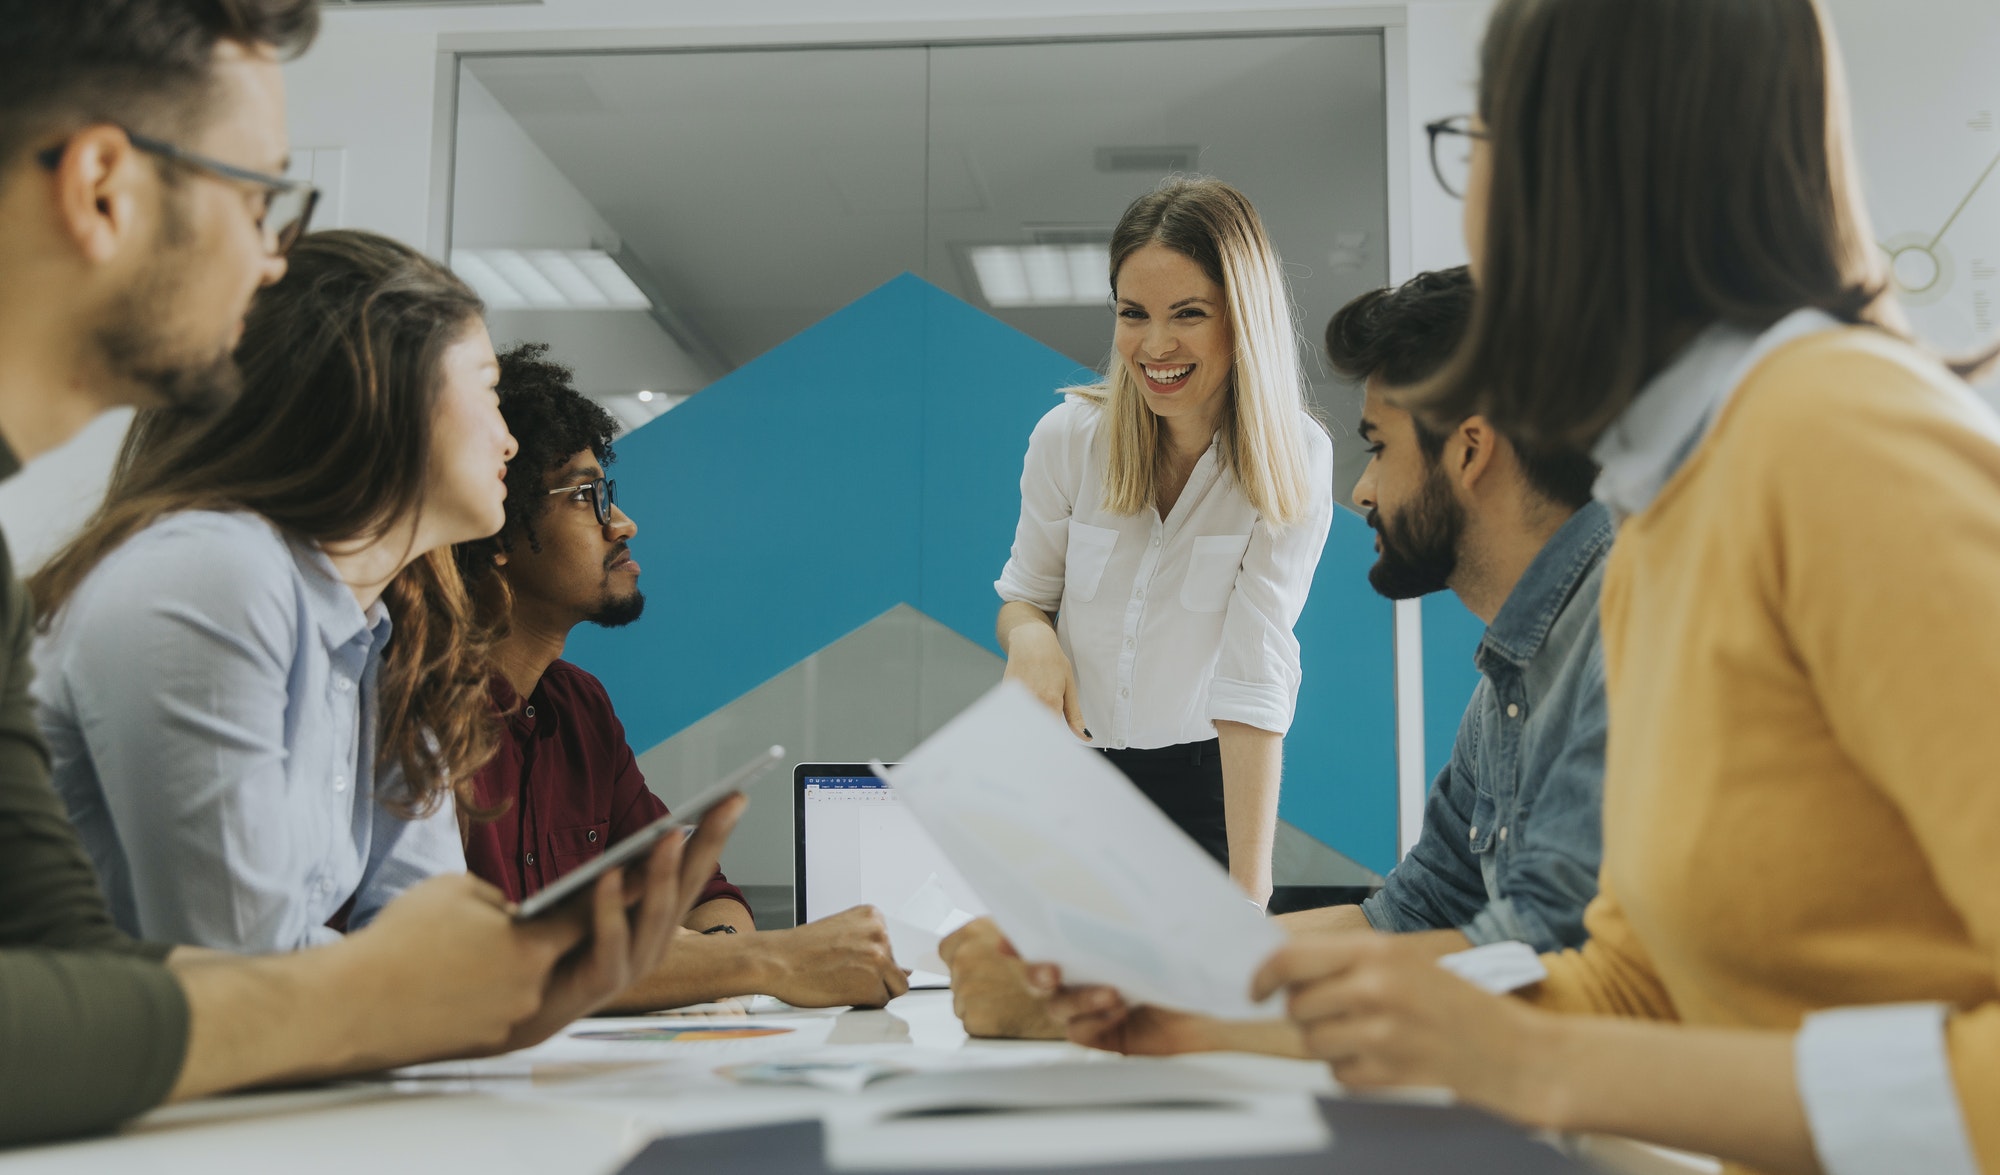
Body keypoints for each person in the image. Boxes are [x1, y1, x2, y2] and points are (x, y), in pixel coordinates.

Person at [1251, 2, 2000, 1173]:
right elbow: (1629, 982)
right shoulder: (1663, 508)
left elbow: (1588, 1050)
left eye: (1478, 139)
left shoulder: (1835, 442)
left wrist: (1530, 1063)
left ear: (1572, 162)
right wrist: (1177, 1014)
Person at [0, 0, 732, 1145]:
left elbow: (99, 975)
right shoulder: (211, 572)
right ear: (101, 187)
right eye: (258, 199)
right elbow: (237, 977)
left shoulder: (388, 629)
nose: (271, 256)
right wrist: (434, 985)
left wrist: (516, 971)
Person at [948, 268, 1613, 1044]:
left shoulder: (1628, 645)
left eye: (1378, 447)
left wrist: (1130, 1006)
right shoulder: (1514, 676)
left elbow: (1545, 964)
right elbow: (1408, 916)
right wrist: (1105, 968)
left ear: (1469, 451)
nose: (1361, 490)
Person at [33, 228, 513, 952]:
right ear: (383, 384)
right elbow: (239, 962)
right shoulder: (211, 571)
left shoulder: (387, 632)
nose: (509, 439)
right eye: (488, 385)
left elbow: (429, 933)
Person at [455, 342, 909, 1010]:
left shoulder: (579, 708)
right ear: (496, 530)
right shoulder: (421, 714)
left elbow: (702, 898)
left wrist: (714, 958)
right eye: (585, 497)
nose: (623, 522)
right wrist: (764, 960)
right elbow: (481, 966)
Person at [994, 177, 1334, 905]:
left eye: (1188, 314)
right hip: (1068, 779)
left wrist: (1250, 893)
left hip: (1202, 790)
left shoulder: (1292, 459)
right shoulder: (1067, 440)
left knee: (1198, 1004)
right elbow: (1025, 598)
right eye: (1132, 314)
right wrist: (1031, 639)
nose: (1154, 346)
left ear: (1242, 318)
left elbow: (1254, 677)